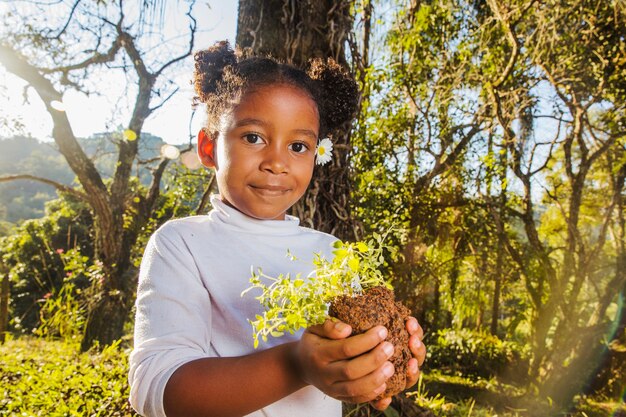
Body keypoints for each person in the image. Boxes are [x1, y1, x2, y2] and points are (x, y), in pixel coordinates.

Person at [128, 40, 426, 417]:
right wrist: (296, 365)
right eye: (253, 138)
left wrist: (381, 362)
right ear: (208, 148)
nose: (277, 163)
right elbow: (158, 389)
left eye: (299, 146)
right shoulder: (182, 244)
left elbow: (345, 359)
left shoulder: (333, 252)